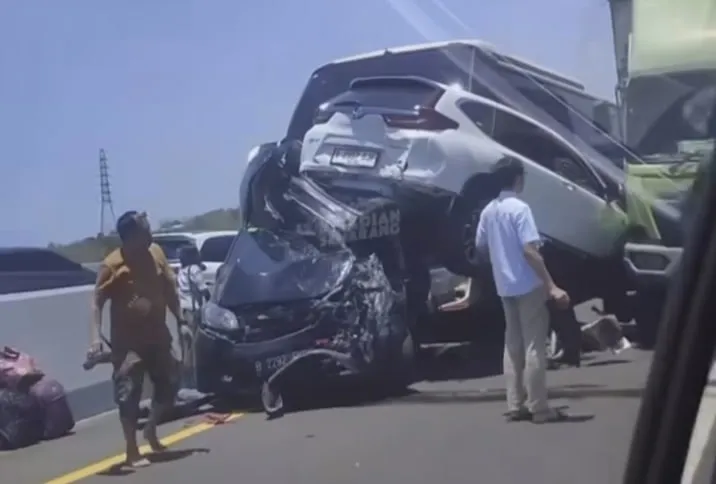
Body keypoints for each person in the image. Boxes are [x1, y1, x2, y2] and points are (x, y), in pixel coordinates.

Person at [475, 157, 571, 424]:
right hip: (528, 284)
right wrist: (551, 286)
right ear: (517, 178)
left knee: (512, 345)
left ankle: (515, 404)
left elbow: (481, 247)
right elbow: (531, 250)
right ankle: (539, 408)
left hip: (504, 286)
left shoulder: (488, 211)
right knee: (534, 346)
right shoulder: (520, 209)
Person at [88, 211, 184, 467]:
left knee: (170, 384)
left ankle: (151, 428)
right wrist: (95, 337)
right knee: (128, 392)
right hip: (128, 343)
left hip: (158, 336)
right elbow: (97, 302)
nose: (151, 234)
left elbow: (170, 289)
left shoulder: (157, 253)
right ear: (131, 236)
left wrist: (181, 319)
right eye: (146, 230)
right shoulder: (113, 265)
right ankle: (132, 450)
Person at [176, 246, 210, 389]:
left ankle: (185, 380)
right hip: (193, 310)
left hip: (182, 311)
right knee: (195, 347)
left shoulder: (182, 271)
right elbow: (203, 290)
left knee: (185, 347)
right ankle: (196, 381)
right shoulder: (195, 270)